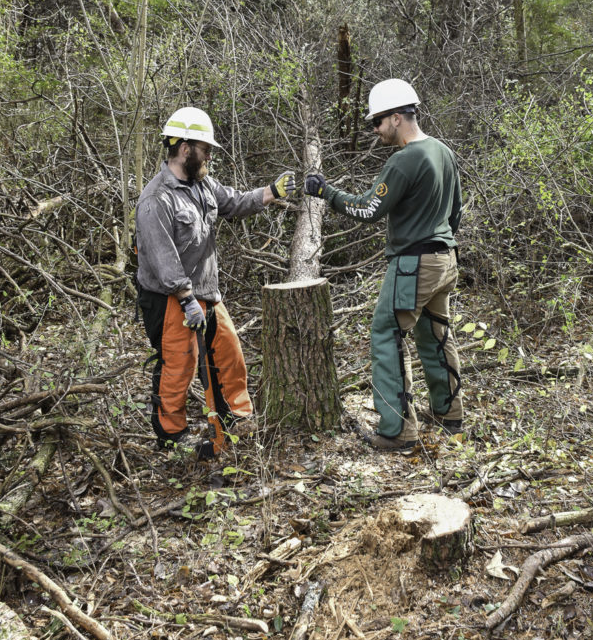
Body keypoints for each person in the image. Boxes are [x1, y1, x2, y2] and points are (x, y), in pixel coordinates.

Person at [304, 79, 462, 454]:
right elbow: (457, 211)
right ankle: (449, 414)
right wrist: (439, 240)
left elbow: (368, 209)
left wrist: (326, 192)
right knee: (436, 334)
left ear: (396, 118)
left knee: (386, 334)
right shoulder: (443, 152)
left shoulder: (404, 160)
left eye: (377, 122)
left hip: (413, 264)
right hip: (445, 258)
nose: (375, 131)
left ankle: (397, 431)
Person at [135, 106, 295, 453]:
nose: (209, 155)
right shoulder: (156, 199)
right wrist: (186, 298)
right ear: (183, 148)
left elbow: (234, 202)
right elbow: (163, 259)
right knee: (179, 365)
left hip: (206, 292)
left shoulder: (202, 184)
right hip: (169, 297)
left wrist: (272, 191)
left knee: (228, 354)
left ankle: (235, 424)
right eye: (205, 148)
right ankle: (171, 437)